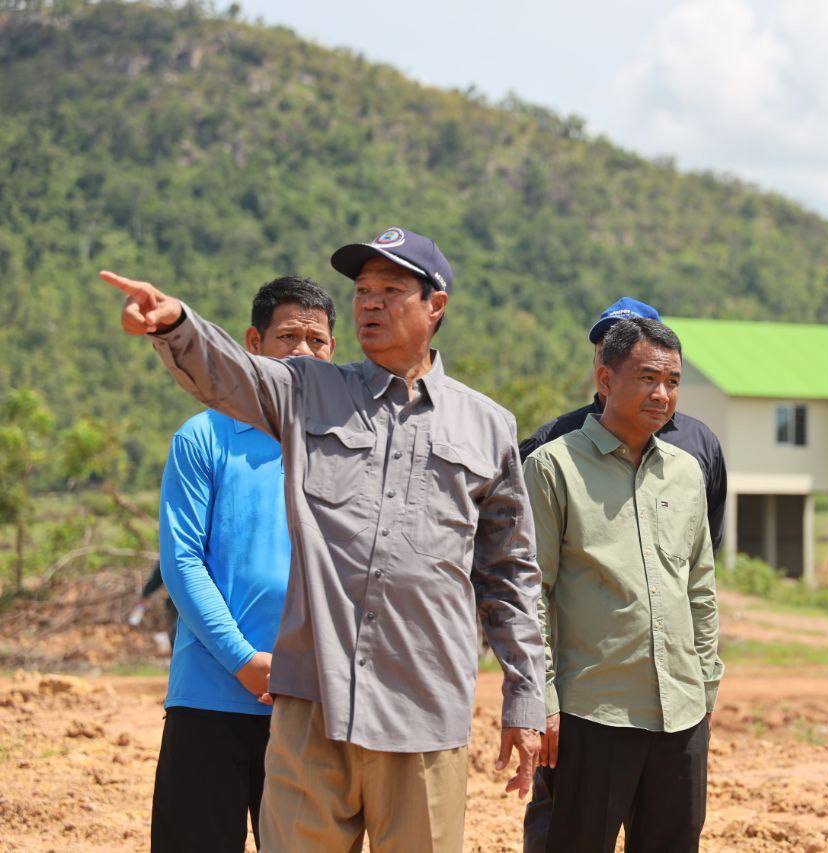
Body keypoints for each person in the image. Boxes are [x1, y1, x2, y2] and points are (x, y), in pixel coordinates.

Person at [98, 225, 544, 853]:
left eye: (390, 291)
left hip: (422, 714)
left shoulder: (488, 426)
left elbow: (509, 576)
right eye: (362, 291)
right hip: (312, 710)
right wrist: (175, 325)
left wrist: (526, 697)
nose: (370, 304)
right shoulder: (308, 390)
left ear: (436, 306)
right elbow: (227, 374)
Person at [519, 298, 728, 851]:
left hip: (681, 712)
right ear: (606, 379)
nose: (662, 394)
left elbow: (700, 588)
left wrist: (706, 684)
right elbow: (531, 593)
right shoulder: (552, 465)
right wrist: (543, 699)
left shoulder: (687, 472)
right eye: (648, 378)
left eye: (673, 382)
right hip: (592, 712)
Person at [150, 276, 337, 852]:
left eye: (317, 340)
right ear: (253, 344)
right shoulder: (203, 437)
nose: (303, 352)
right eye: (288, 337)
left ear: (334, 352)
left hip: (313, 703)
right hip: (209, 696)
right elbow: (182, 561)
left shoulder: (343, 445)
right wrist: (243, 660)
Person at [518, 297, 727, 552]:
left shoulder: (699, 444)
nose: (610, 358)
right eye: (605, 349)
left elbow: (705, 546)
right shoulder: (551, 444)